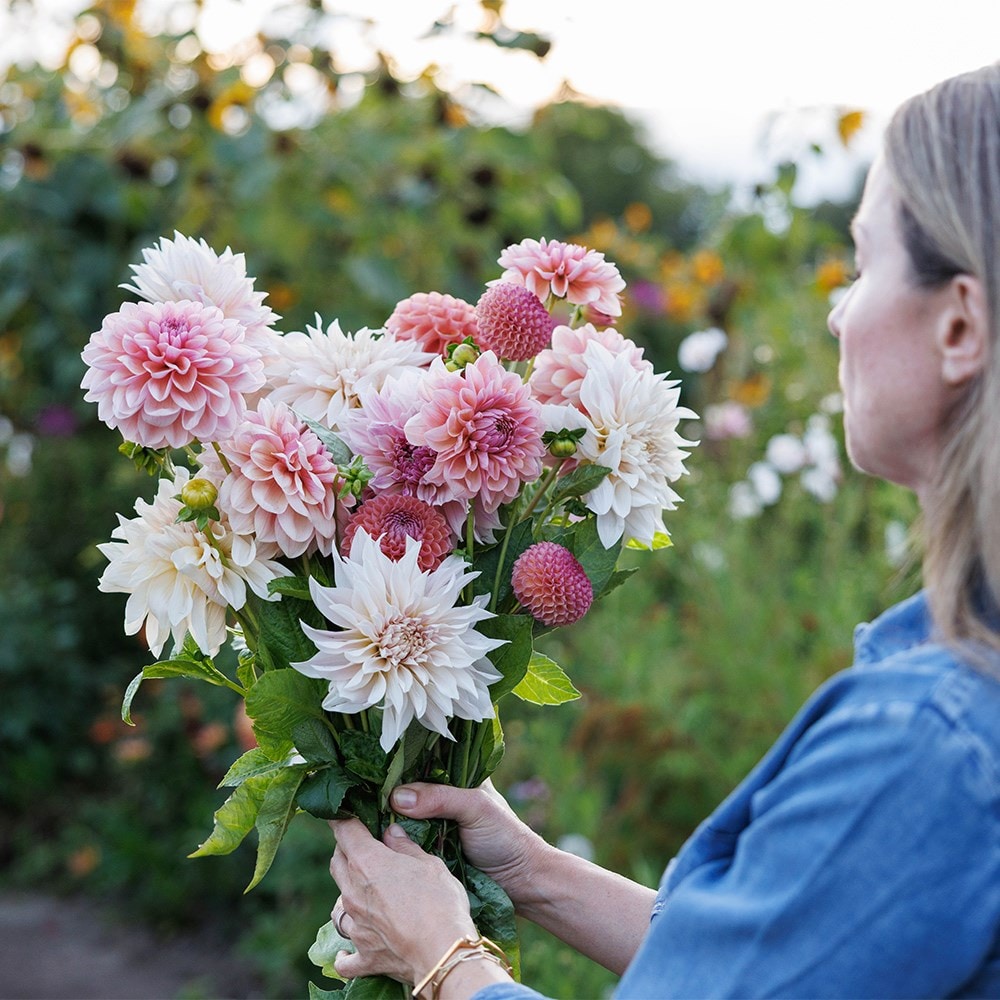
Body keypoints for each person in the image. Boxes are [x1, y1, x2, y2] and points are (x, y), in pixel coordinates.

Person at [327, 62, 1000, 999]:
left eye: (863, 264)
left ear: (961, 325)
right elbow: (772, 963)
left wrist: (443, 956)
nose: (840, 313)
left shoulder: (932, 743)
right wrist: (530, 872)